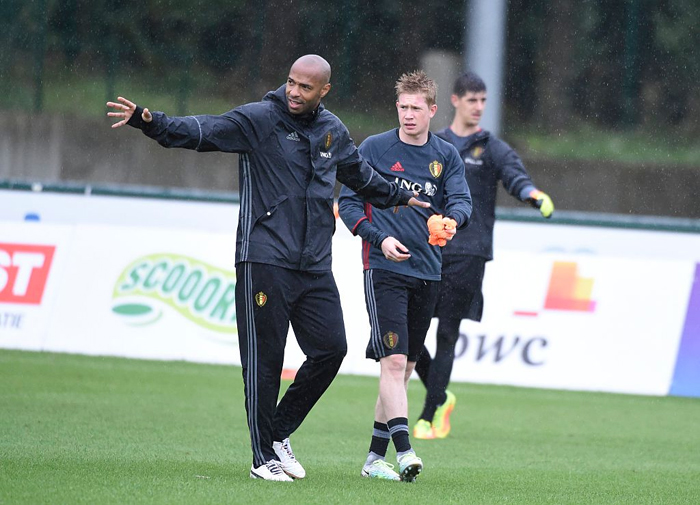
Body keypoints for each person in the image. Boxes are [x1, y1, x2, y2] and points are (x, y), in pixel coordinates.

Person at [107, 54, 429, 482]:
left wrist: (400, 196)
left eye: (305, 87)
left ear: (324, 91)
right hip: (264, 258)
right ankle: (262, 458)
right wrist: (150, 121)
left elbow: (360, 175)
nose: (294, 91)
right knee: (264, 362)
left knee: (331, 350)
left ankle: (276, 434)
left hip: (314, 264)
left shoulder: (332, 130)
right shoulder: (259, 118)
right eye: (291, 82)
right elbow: (203, 131)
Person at [338, 71, 472, 482]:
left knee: (404, 369)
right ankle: (405, 451)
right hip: (384, 270)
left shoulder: (446, 155)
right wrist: (379, 239)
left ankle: (373, 460)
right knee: (393, 362)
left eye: (416, 108)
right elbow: (348, 204)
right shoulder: (374, 148)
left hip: (428, 272)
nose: (408, 114)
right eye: (402, 107)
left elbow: (462, 200)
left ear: (433, 110)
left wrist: (452, 220)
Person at [412, 71, 554, 440]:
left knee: (447, 332)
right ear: (455, 101)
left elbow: (515, 177)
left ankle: (428, 416)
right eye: (472, 100)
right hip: (429, 248)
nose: (478, 107)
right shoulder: (435, 143)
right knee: (410, 331)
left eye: (483, 101)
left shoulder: (491, 148)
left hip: (470, 251)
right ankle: (441, 395)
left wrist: (532, 194)